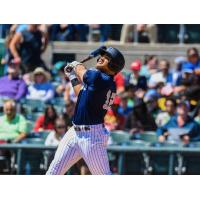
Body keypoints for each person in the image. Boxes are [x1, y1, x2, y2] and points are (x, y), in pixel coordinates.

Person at [46, 46, 125, 175]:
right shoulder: (103, 81)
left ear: (114, 65)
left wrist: (75, 65)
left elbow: (82, 70)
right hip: (74, 132)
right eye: (102, 56)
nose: (101, 58)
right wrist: (72, 76)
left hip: (92, 136)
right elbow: (81, 94)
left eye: (107, 58)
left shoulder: (100, 78)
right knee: (53, 172)